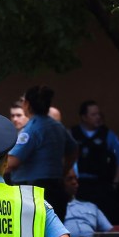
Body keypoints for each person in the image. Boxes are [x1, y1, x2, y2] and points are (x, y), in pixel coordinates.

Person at [8, 85, 77, 222]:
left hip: (32, 193)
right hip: (55, 187)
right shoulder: (57, 126)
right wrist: (63, 171)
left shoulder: (32, 129)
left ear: (27, 104)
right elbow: (73, 150)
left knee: (33, 236)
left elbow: (13, 162)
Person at [71, 100, 119, 223]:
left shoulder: (107, 134)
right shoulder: (72, 134)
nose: (98, 117)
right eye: (93, 115)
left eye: (99, 114)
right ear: (84, 117)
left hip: (101, 185)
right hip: (80, 185)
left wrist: (115, 183)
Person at [62, 169, 113, 237]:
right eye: (69, 179)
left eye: (76, 179)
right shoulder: (53, 208)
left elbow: (109, 231)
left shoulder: (91, 206)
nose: (74, 182)